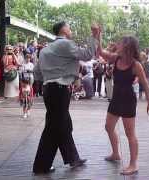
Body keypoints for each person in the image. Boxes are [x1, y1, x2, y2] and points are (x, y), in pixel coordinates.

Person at [33, 21, 100, 174]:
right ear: (63, 29)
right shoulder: (65, 44)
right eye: (69, 27)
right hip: (59, 89)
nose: (71, 30)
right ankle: (40, 166)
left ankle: (72, 158)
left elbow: (37, 72)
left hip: (49, 89)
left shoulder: (45, 50)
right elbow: (87, 55)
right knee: (54, 127)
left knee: (62, 124)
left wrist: (52, 76)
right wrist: (94, 36)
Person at [98, 35, 149, 175]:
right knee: (108, 127)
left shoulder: (136, 65)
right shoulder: (116, 58)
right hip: (116, 98)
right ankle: (116, 154)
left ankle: (134, 164)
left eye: (120, 43)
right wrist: (98, 36)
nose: (117, 44)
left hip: (128, 100)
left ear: (127, 46)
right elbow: (100, 52)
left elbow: (145, 84)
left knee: (130, 134)